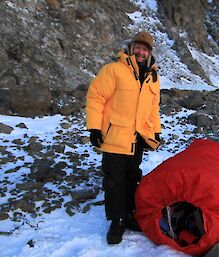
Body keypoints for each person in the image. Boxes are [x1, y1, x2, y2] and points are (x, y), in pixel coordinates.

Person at [85, 31, 161, 244]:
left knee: (132, 178)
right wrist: (94, 128)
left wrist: (155, 131)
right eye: (138, 47)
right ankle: (117, 220)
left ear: (149, 53)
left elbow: (153, 109)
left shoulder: (153, 77)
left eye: (145, 49)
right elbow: (96, 98)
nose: (141, 51)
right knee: (114, 181)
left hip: (137, 139)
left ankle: (129, 215)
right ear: (130, 48)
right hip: (114, 137)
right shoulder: (114, 70)